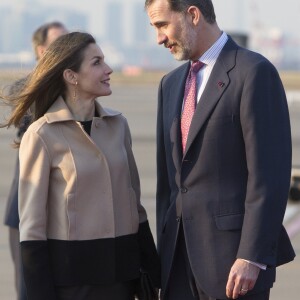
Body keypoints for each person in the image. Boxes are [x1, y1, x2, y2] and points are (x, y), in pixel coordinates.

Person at [144, 0, 295, 299]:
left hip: (234, 270)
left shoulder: (253, 72)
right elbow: (169, 185)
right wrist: (163, 262)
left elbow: (269, 177)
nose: (159, 38)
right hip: (177, 267)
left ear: (193, 15)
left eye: (162, 25)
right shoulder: (170, 84)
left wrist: (252, 256)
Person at [2, 31, 160, 300]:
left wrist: (155, 273)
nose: (108, 69)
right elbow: (32, 230)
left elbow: (136, 208)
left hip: (124, 279)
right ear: (71, 75)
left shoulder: (118, 125)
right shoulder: (41, 135)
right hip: (73, 285)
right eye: (97, 62)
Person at [3, 21, 68, 300]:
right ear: (42, 51)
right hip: (26, 207)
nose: (69, 47)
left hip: (63, 213)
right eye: (60, 43)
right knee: (29, 290)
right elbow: (17, 95)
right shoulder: (30, 89)